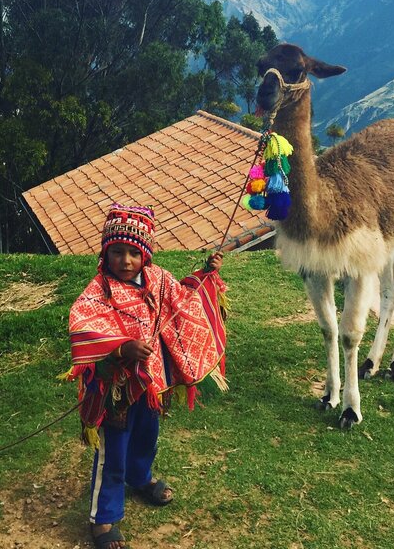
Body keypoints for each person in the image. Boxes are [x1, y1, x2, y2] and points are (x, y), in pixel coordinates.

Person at [67, 203, 227, 549]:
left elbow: (184, 298)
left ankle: (140, 478)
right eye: (117, 253)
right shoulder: (100, 290)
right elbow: (82, 323)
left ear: (145, 254)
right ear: (106, 253)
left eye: (133, 253)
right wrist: (122, 348)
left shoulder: (158, 279)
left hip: (152, 384)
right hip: (117, 390)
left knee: (147, 435)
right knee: (113, 450)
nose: (125, 261)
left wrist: (205, 275)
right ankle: (103, 517)